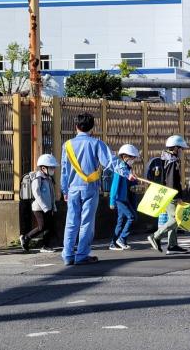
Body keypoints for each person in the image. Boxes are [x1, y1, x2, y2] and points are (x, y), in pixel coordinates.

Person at [61, 113, 119, 266]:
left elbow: (64, 171)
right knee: (86, 222)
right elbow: (110, 162)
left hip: (72, 188)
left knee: (71, 222)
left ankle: (67, 255)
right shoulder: (96, 143)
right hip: (90, 188)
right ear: (92, 127)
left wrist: (64, 190)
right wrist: (127, 172)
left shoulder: (67, 145)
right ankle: (81, 255)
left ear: (76, 126)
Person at [147, 135, 189, 255]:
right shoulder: (172, 161)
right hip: (171, 194)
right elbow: (172, 181)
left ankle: (172, 245)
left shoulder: (165, 158)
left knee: (172, 219)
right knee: (176, 219)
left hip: (165, 193)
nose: (182, 151)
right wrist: (177, 196)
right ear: (176, 148)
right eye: (181, 148)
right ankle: (156, 236)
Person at [20, 154, 58, 253]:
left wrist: (53, 206)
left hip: (48, 207)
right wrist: (45, 207)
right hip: (38, 207)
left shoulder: (48, 178)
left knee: (49, 226)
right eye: (51, 167)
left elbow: (52, 195)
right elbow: (36, 193)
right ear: (43, 167)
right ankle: (26, 238)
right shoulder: (38, 178)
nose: (53, 169)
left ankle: (45, 246)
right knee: (42, 226)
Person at [109, 144, 140, 251]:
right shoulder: (120, 168)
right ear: (125, 157)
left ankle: (113, 243)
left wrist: (135, 180)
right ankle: (121, 239)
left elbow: (129, 183)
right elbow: (114, 186)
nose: (134, 159)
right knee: (132, 217)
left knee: (121, 221)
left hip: (124, 198)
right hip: (120, 199)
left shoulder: (127, 168)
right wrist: (112, 201)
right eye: (132, 157)